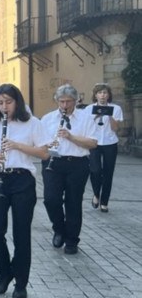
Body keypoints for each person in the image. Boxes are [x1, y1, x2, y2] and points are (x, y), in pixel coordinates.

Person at [0, 84, 49, 298]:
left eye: (8, 102)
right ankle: (5, 272)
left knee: (21, 234)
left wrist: (17, 145)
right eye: (0, 102)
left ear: (17, 101)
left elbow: (44, 153)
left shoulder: (32, 123)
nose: (4, 106)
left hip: (22, 179)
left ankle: (21, 283)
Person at [41, 84, 98, 255]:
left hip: (77, 163)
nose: (64, 105)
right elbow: (39, 142)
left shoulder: (86, 118)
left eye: (68, 101)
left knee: (73, 202)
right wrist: (47, 144)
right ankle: (59, 229)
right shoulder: (48, 118)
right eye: (61, 101)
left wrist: (71, 137)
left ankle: (72, 240)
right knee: (51, 199)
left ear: (76, 101)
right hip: (53, 162)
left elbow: (93, 143)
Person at [84, 83, 123, 213]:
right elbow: (84, 127)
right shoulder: (89, 109)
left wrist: (109, 115)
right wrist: (96, 117)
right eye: (100, 93)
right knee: (95, 170)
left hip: (110, 143)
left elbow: (116, 128)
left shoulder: (115, 108)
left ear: (109, 95)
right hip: (94, 142)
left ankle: (104, 202)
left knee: (108, 173)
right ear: (95, 95)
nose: (102, 95)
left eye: (105, 93)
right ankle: (96, 194)